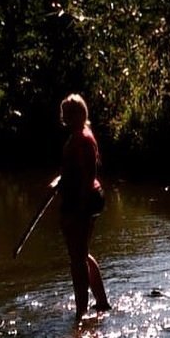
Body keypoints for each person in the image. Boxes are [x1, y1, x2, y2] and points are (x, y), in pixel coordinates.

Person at [58, 93, 110, 320]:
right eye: (65, 114)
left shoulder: (83, 139)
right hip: (78, 199)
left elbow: (88, 176)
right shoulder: (75, 137)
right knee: (81, 254)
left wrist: (78, 209)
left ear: (81, 114)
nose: (67, 118)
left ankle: (82, 311)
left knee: (77, 258)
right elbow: (72, 171)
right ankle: (101, 302)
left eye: (71, 114)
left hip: (84, 201)